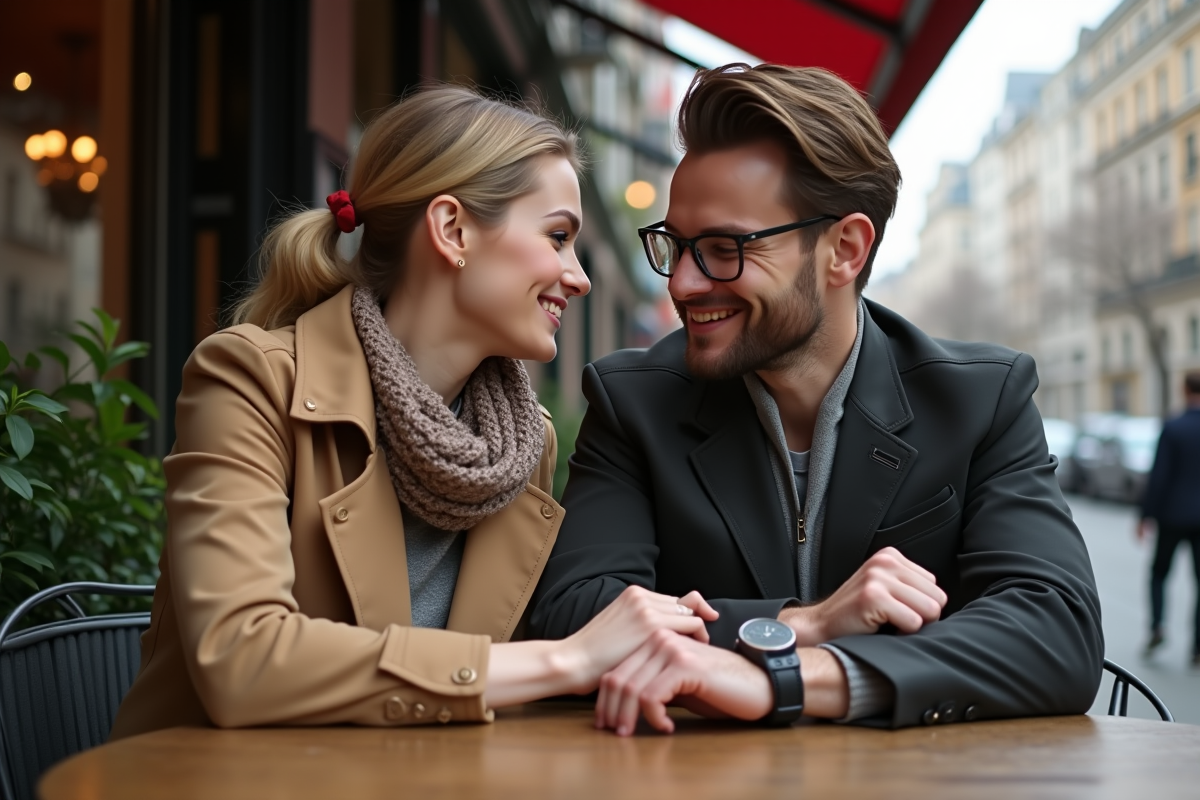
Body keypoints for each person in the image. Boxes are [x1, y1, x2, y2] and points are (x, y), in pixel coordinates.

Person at [110, 87, 719, 739]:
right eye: (558, 237)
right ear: (452, 230)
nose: (579, 277)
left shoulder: (522, 443)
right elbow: (241, 659)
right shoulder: (251, 379)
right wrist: (567, 659)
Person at [528, 64, 1104, 733]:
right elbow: (574, 614)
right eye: (677, 246)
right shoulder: (635, 403)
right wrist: (801, 624)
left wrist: (781, 677)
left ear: (845, 250)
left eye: (723, 248)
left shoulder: (980, 401)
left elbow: (1056, 632)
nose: (683, 284)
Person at [1138, 371, 1200, 667]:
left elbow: (1159, 476)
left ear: (1184, 390)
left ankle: (1157, 627)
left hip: (1172, 516)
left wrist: (1145, 515)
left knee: (1159, 574)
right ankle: (1198, 648)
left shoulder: (1173, 427)